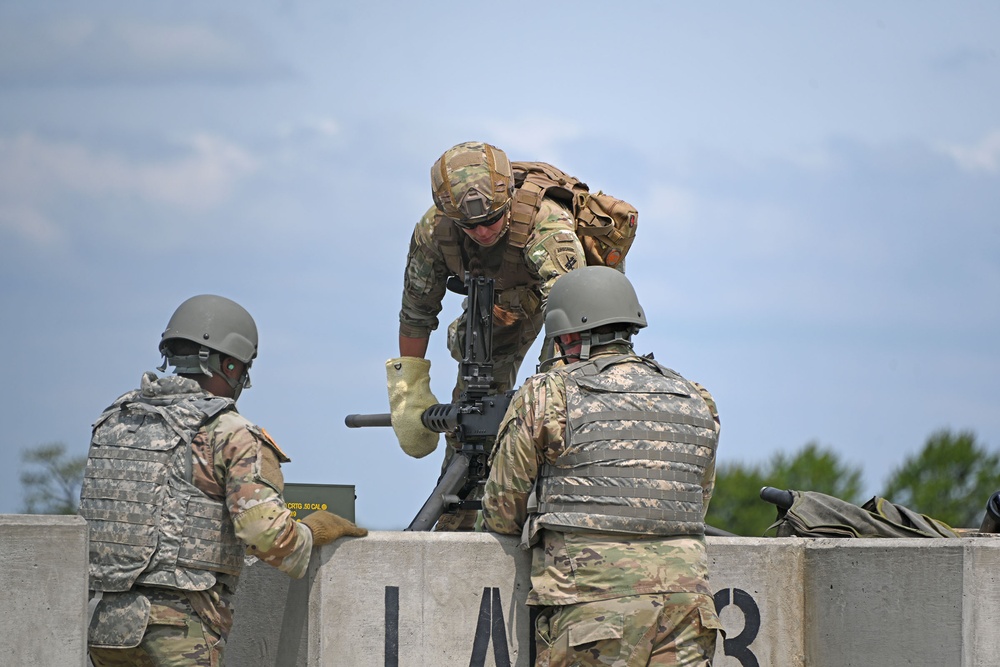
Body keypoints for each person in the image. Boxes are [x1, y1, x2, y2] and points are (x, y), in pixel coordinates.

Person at [79, 294, 367, 666]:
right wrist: (315, 530)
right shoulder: (228, 431)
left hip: (106, 628)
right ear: (230, 365)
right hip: (181, 632)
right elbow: (270, 538)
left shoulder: (117, 420)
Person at [482, 266, 724, 666]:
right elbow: (697, 503)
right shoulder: (696, 398)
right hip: (688, 610)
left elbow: (501, 510)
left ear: (571, 334)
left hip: (593, 611)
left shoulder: (549, 393)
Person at [387, 141, 590, 528]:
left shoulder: (547, 224)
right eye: (470, 225)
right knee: (472, 416)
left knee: (555, 408)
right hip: (497, 306)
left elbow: (575, 315)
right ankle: (457, 524)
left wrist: (550, 396)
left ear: (509, 201)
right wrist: (409, 392)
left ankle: (558, 510)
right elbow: (416, 312)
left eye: (492, 219)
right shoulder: (435, 230)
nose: (482, 231)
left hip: (569, 309)